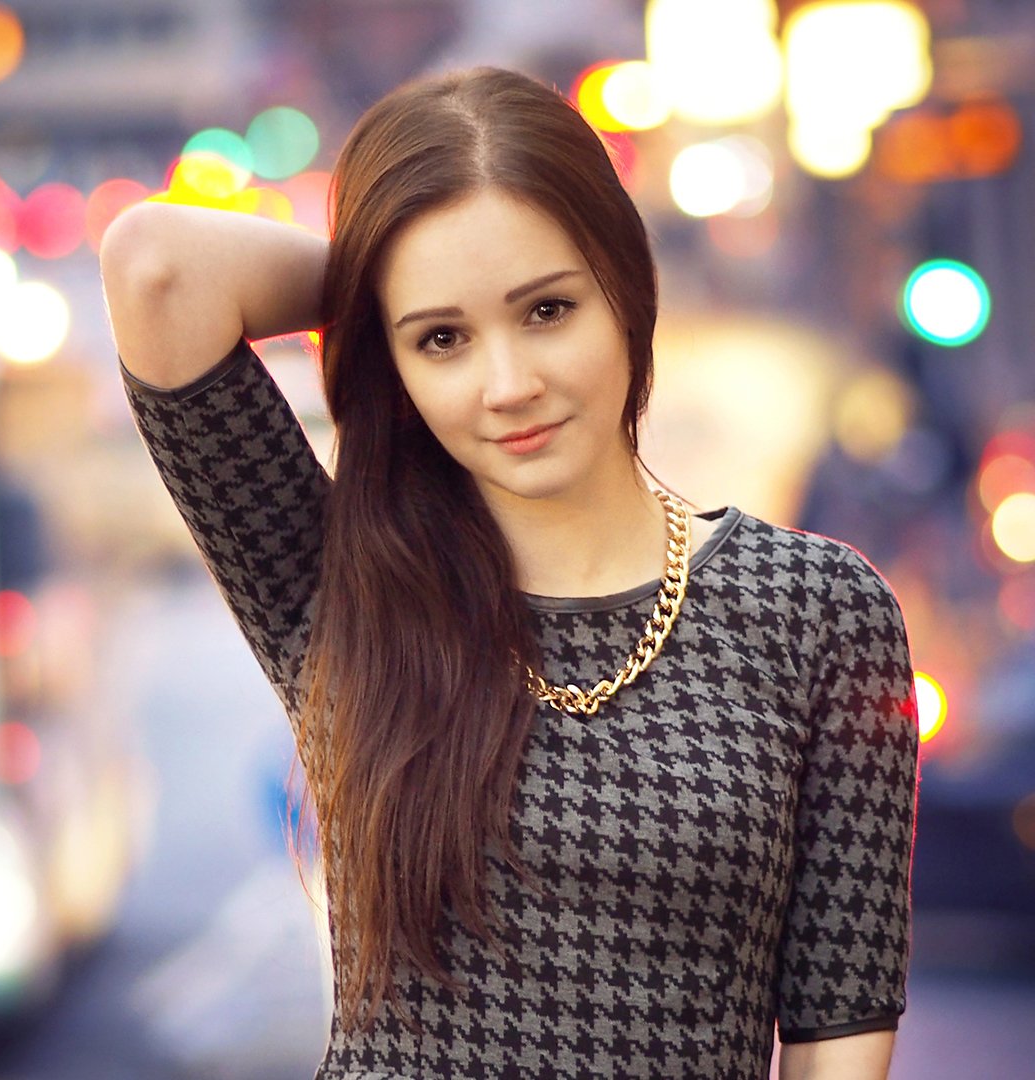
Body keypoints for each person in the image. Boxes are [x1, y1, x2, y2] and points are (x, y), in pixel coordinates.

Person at [98, 65, 920, 1080]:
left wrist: (438, 282)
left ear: (625, 286)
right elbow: (156, 268)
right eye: (442, 338)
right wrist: (385, 276)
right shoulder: (338, 586)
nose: (507, 385)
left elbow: (840, 1024)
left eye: (545, 310)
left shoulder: (817, 613)